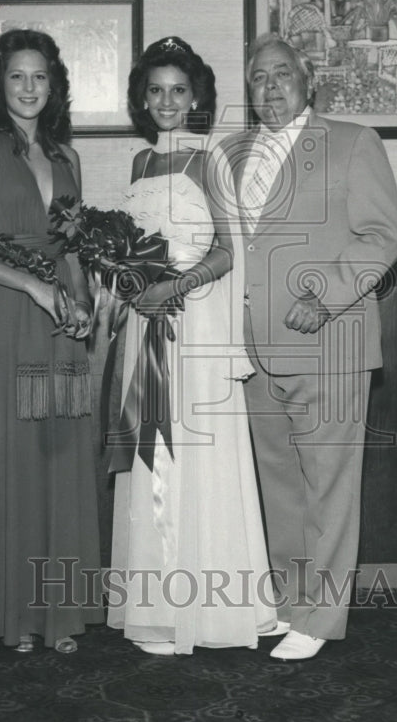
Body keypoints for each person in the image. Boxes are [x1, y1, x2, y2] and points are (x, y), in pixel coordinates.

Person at [222, 34, 397, 661]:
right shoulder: (231, 153)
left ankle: (322, 618)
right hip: (254, 349)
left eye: (281, 75)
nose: (269, 87)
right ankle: (290, 602)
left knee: (329, 482)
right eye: (256, 78)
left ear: (308, 83)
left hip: (328, 340)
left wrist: (325, 294)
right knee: (280, 482)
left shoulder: (353, 142)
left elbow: (384, 237)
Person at [106, 36, 277, 655]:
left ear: (197, 96)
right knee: (154, 453)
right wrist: (130, 284)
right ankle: (157, 608)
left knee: (196, 452)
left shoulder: (211, 160)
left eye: (179, 89)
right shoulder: (138, 165)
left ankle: (213, 609)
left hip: (193, 320)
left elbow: (231, 251)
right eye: (155, 89)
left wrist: (176, 286)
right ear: (142, 98)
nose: (167, 100)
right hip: (144, 324)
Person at [0, 29, 103, 654]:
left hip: (60, 326)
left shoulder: (68, 158)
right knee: (11, 457)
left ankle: (59, 615)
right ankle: (14, 614)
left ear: (54, 85)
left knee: (58, 455)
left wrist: (84, 302)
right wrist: (34, 289)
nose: (30, 87)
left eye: (40, 76)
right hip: (4, 324)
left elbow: (72, 251)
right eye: (18, 76)